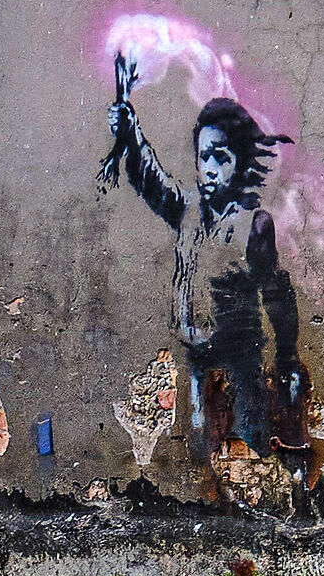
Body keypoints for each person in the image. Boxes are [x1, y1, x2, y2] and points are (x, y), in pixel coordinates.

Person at [100, 53, 308, 473]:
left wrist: (287, 356)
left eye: (220, 157)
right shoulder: (189, 210)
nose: (209, 168)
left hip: (241, 367)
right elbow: (151, 180)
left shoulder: (254, 223)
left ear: (240, 160)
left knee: (250, 453)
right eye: (202, 157)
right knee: (202, 457)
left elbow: (277, 295)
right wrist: (131, 130)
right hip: (198, 363)